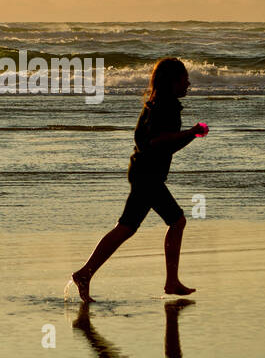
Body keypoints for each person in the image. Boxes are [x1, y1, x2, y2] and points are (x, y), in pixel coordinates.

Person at [70, 57, 207, 302]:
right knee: (176, 221)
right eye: (184, 78)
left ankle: (85, 273)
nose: (188, 82)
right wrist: (190, 132)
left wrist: (191, 134)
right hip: (148, 176)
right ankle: (171, 281)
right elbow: (157, 142)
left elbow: (165, 143)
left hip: (143, 172)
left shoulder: (156, 105)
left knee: (127, 227)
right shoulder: (166, 107)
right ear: (172, 81)